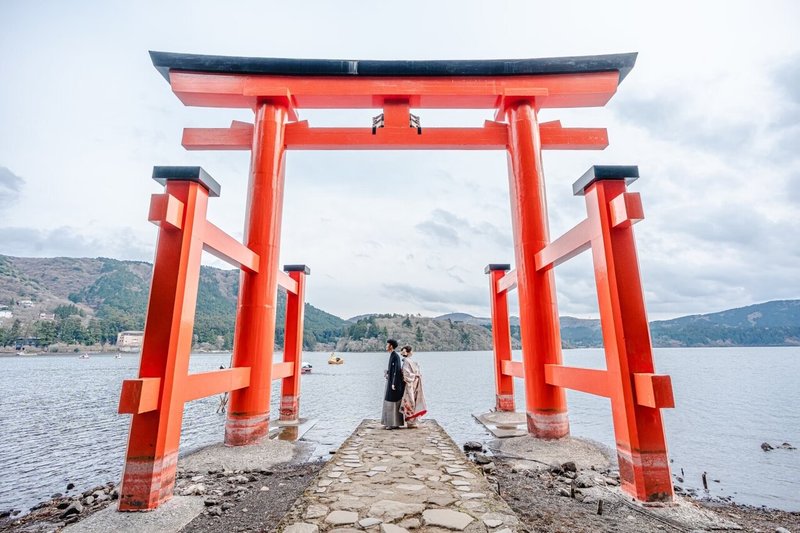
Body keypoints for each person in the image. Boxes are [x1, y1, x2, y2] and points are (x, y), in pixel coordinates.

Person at [400, 345, 427, 428]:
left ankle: (413, 420)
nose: (412, 352)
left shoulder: (408, 361)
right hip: (410, 384)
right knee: (410, 401)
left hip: (413, 384)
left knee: (413, 400)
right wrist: (415, 375)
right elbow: (406, 374)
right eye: (411, 351)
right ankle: (410, 421)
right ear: (408, 352)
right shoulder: (407, 361)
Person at [381, 339, 405, 429]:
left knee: (392, 402)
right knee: (389, 401)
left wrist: (394, 383)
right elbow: (392, 370)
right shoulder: (392, 355)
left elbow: (396, 371)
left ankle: (393, 424)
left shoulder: (395, 356)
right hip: (391, 382)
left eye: (387, 345)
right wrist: (388, 372)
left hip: (394, 384)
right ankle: (391, 423)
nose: (386, 346)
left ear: (391, 346)